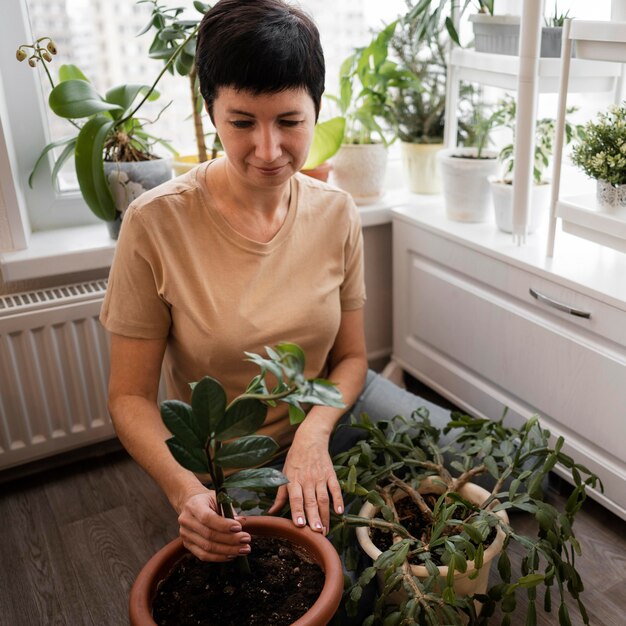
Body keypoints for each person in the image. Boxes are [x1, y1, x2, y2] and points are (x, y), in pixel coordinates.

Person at [100, 0, 451, 566]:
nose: (268, 150)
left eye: (290, 121)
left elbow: (353, 358)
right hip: (239, 459)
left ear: (316, 109)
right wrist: (188, 490)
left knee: (513, 467)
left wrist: (312, 435)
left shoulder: (336, 211)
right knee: (323, 581)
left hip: (333, 406)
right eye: (242, 123)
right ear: (210, 110)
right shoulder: (154, 223)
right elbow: (129, 398)